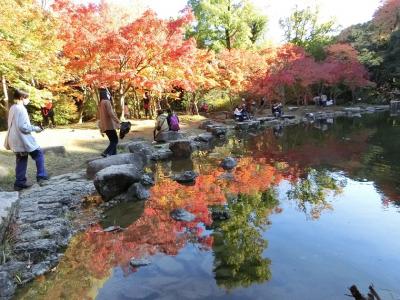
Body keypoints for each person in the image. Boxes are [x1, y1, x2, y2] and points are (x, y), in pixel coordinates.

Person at [4, 90, 49, 191]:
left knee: (21, 160)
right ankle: (41, 177)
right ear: (22, 98)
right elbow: (23, 127)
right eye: (27, 98)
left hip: (14, 139)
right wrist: (36, 129)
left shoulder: (12, 107)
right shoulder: (21, 109)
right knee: (39, 154)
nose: (28, 100)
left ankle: (19, 183)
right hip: (22, 140)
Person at [98, 88, 120, 157]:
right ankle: (106, 152)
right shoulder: (106, 102)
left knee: (112, 140)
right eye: (108, 94)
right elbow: (111, 113)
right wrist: (117, 121)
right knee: (115, 140)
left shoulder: (101, 103)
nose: (109, 95)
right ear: (106, 95)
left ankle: (114, 154)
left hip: (104, 125)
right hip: (109, 125)